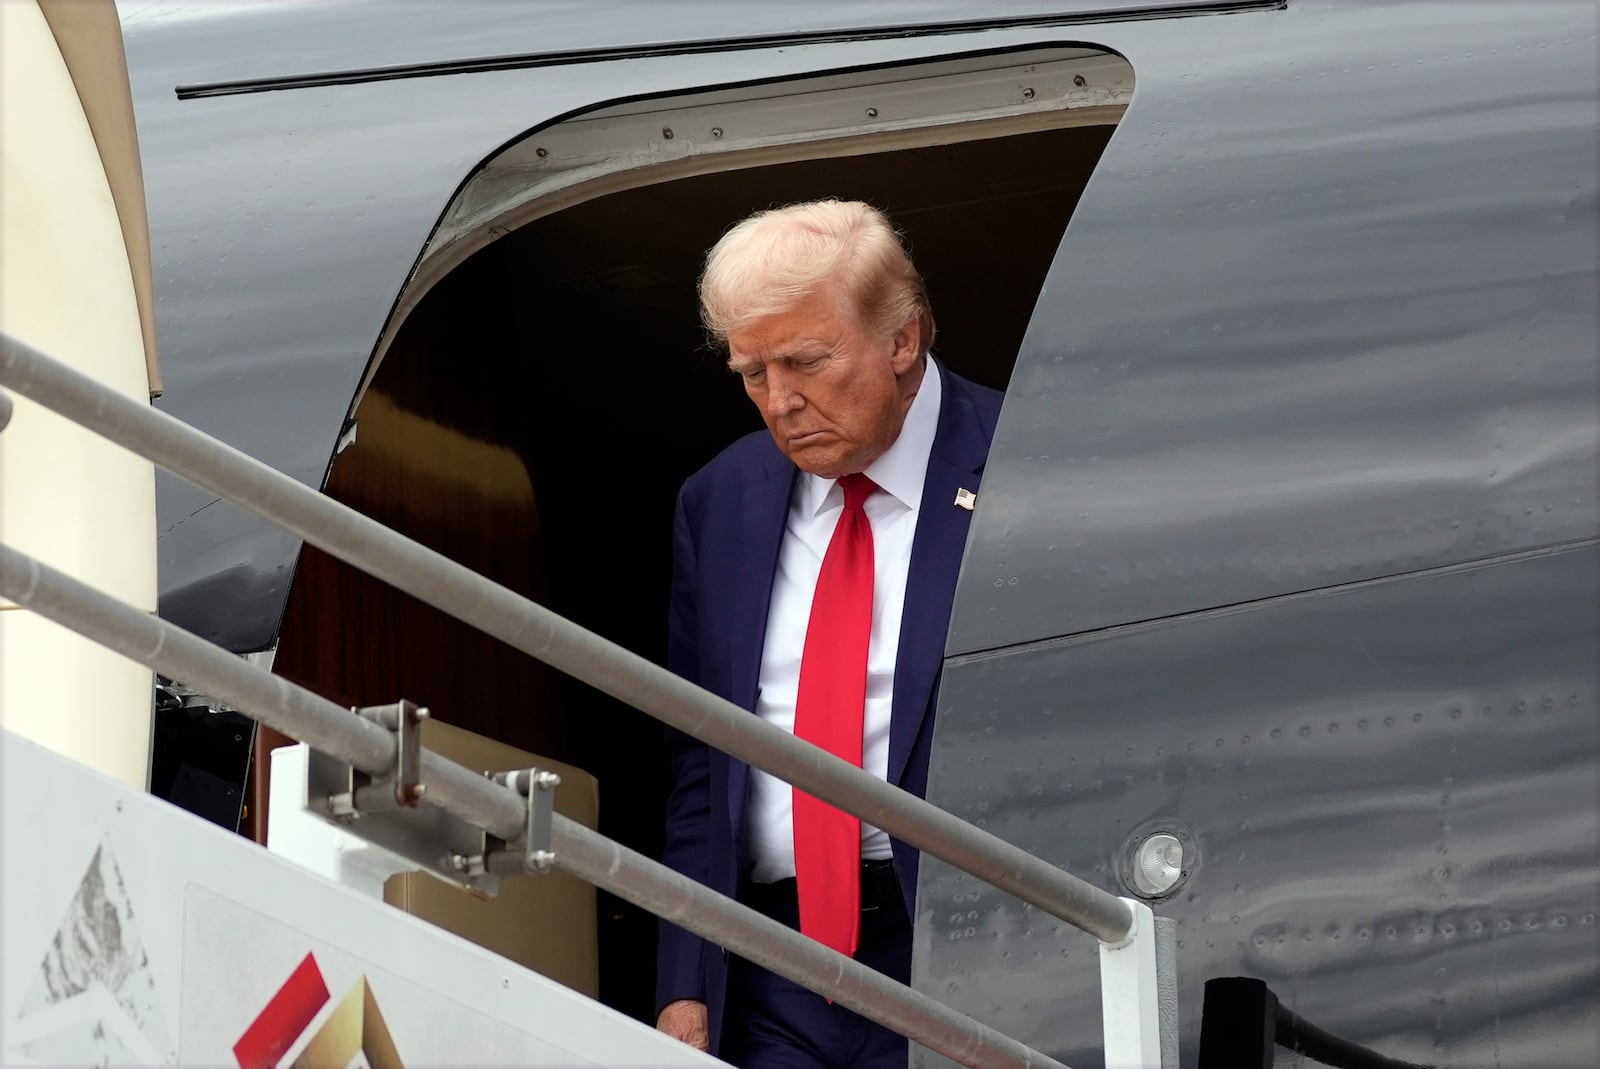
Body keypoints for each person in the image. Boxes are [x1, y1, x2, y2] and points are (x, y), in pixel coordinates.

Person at [656, 199, 1003, 1068]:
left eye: (806, 362)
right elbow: (702, 768)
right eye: (751, 372)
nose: (780, 402)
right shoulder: (718, 500)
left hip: (959, 946)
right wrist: (684, 982)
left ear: (901, 339)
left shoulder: (1022, 461)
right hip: (771, 966)